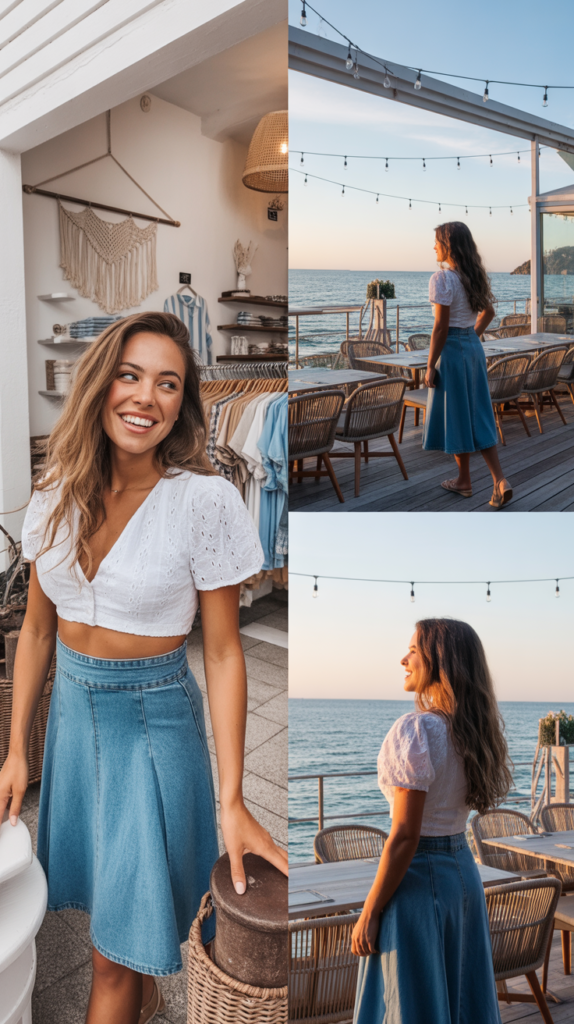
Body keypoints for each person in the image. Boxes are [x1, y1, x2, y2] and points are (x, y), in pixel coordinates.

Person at [0, 311, 288, 1024]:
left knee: (110, 955)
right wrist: (13, 751)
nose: (145, 397)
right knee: (104, 906)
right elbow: (37, 631)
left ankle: (132, 988)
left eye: (167, 383)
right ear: (101, 384)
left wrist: (231, 800)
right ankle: (142, 991)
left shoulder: (205, 500)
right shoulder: (55, 491)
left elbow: (222, 652)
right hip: (71, 725)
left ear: (182, 404)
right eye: (129, 375)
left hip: (152, 730)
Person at [352, 618, 511, 1024]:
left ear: (439, 663)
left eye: (413, 652)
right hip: (463, 873)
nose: (403, 659)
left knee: (409, 1004)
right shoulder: (471, 732)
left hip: (419, 883)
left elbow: (405, 835)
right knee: (462, 997)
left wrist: (370, 911)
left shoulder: (418, 730)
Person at [423, 221, 512, 509]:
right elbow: (489, 311)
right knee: (477, 413)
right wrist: (471, 336)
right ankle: (483, 480)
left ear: (448, 245)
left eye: (437, 241)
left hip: (452, 351)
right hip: (473, 350)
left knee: (456, 414)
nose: (433, 246)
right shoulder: (472, 276)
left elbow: (440, 327)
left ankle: (478, 480)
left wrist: (429, 365)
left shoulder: (443, 279)